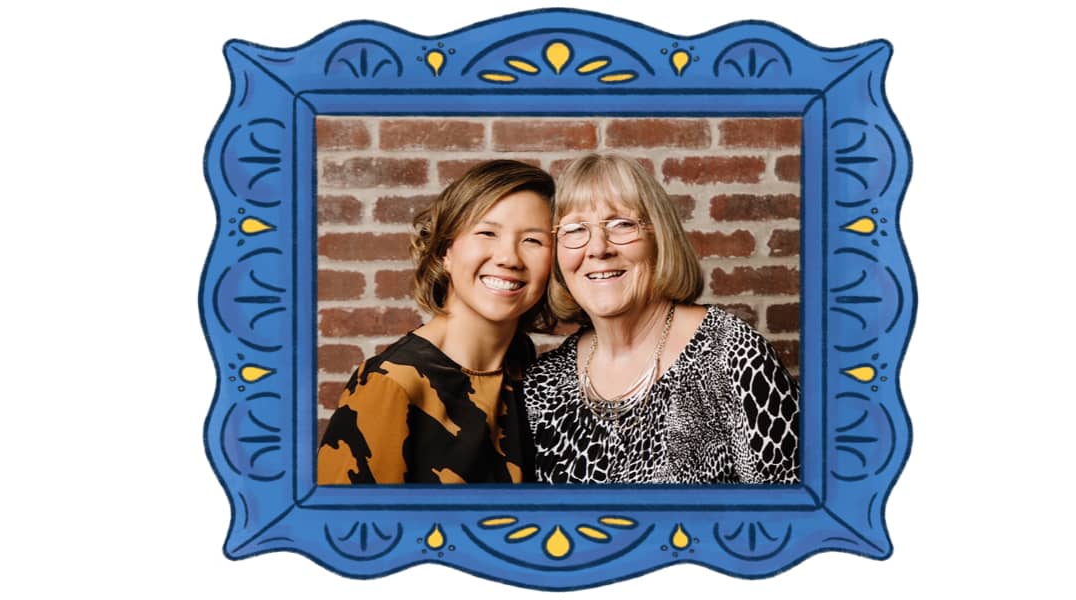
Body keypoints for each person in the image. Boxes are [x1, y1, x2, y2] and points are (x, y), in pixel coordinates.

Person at [525, 154, 800, 484]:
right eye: (575, 229)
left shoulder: (732, 355)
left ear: (660, 238)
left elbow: (792, 520)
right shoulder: (543, 381)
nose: (598, 248)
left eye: (622, 224)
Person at [318, 160, 556, 484]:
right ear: (446, 251)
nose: (509, 258)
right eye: (487, 232)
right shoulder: (391, 384)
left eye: (533, 240)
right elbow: (346, 531)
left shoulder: (527, 366)